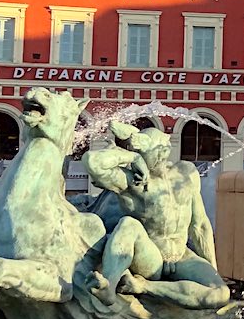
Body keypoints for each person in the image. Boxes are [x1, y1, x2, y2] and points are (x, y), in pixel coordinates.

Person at [84, 121, 230, 309]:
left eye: (162, 150)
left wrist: (213, 271)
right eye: (145, 153)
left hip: (181, 255)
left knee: (220, 294)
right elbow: (92, 161)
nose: (160, 156)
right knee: (128, 224)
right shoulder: (133, 181)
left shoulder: (187, 173)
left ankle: (143, 286)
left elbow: (200, 225)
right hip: (151, 257)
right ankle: (109, 287)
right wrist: (132, 157)